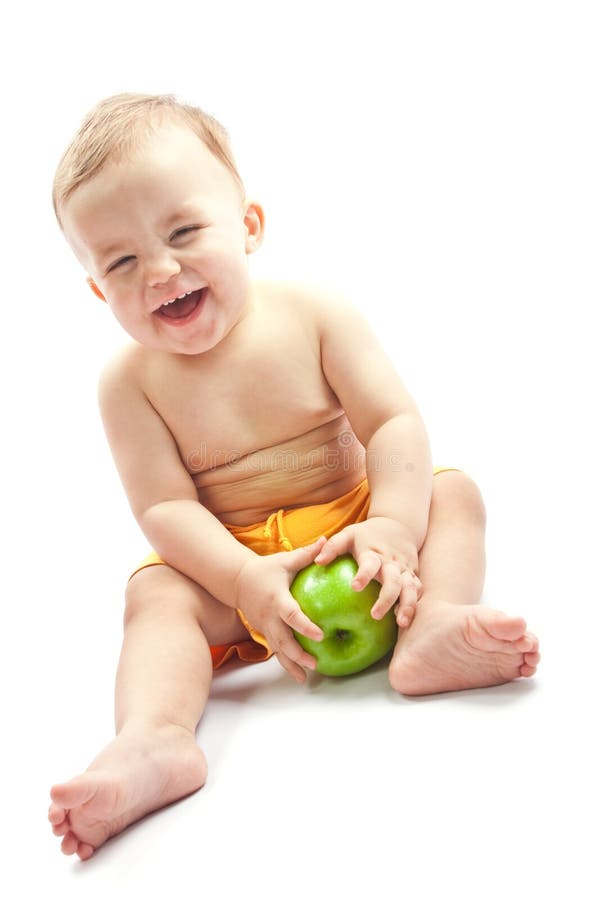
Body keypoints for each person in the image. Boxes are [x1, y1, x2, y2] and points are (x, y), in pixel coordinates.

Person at [48, 93, 540, 860]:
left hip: (362, 533)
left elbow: (392, 425)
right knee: (156, 595)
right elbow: (167, 508)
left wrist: (393, 529)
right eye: (120, 261)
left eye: (183, 232)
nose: (161, 270)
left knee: (452, 490)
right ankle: (156, 737)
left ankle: (433, 620)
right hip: (239, 566)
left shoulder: (312, 312)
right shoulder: (129, 383)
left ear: (248, 226)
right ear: (95, 291)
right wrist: (243, 579)